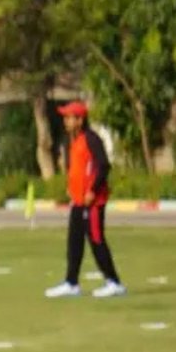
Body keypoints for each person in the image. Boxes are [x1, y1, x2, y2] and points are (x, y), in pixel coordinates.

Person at [44, 101, 125, 298]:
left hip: (93, 202)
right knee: (74, 241)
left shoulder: (91, 138)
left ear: (80, 119)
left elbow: (103, 166)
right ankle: (71, 283)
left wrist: (92, 190)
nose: (65, 121)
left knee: (96, 239)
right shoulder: (74, 140)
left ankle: (113, 282)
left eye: (69, 117)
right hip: (78, 201)